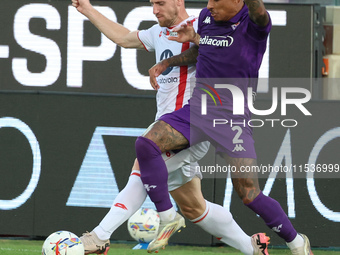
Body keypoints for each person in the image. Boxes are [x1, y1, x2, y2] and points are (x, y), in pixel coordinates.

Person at [71, 0, 270, 255]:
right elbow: (123, 37)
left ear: (179, 1)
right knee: (194, 208)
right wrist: (86, 8)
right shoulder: (158, 33)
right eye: (153, 4)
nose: (155, 10)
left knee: (142, 172)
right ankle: (252, 247)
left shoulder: (205, 24)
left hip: (191, 128)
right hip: (168, 128)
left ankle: (99, 237)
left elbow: (232, 50)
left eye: (161, 3)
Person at [138, 0, 313, 255]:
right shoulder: (207, 19)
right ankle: (168, 217)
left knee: (249, 194)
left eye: (216, 1)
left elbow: (259, 11)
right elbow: (202, 50)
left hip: (233, 120)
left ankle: (297, 243)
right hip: (197, 111)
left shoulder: (254, 24)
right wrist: (169, 62)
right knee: (146, 144)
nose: (209, 6)